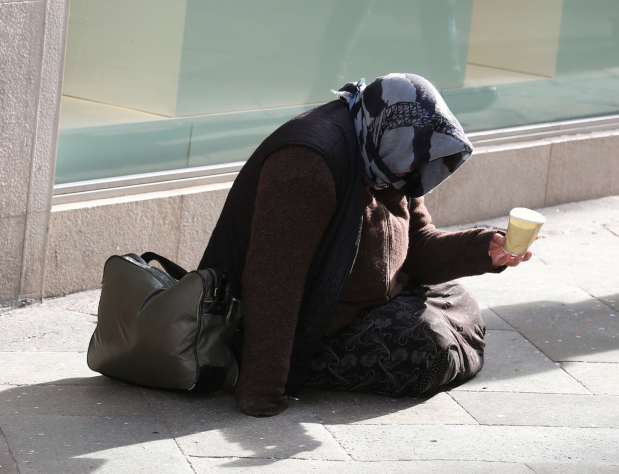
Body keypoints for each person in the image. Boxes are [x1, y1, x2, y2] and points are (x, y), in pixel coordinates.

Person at [198, 73, 532, 417]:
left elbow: (417, 245)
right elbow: (273, 282)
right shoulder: (306, 163)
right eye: (409, 159)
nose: (411, 174)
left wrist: (484, 249)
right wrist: (262, 390)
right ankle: (299, 366)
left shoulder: (386, 153)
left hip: (366, 301)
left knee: (462, 304)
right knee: (430, 350)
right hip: (308, 321)